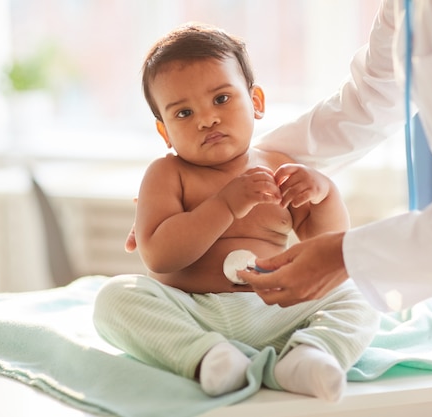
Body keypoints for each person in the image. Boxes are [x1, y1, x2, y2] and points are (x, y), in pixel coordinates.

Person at [92, 23, 380, 402]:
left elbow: (323, 247)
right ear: (164, 133)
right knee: (114, 299)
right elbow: (160, 257)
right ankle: (208, 358)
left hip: (276, 307)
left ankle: (310, 355)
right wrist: (224, 205)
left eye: (221, 100)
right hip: (193, 313)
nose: (206, 119)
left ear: (256, 102)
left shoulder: (278, 166)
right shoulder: (166, 174)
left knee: (362, 286)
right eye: (183, 113)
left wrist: (324, 194)